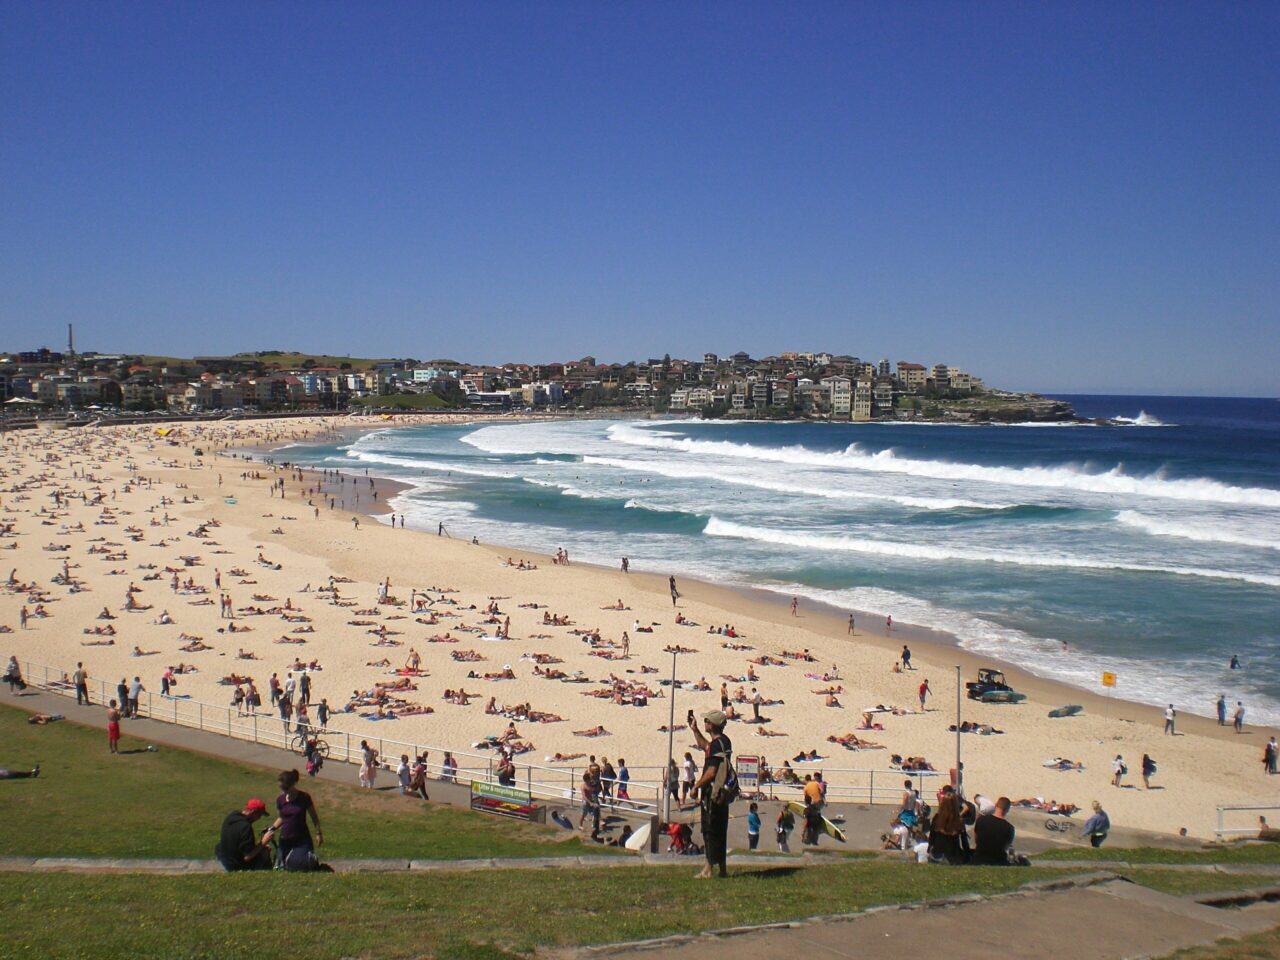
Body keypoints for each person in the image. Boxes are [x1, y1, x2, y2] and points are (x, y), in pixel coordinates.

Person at [689, 708, 733, 878]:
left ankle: (708, 869)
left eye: (706, 721)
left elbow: (711, 771)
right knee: (721, 829)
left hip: (712, 792)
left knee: (709, 829)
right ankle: (722, 868)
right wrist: (695, 730)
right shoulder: (724, 741)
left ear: (712, 725)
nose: (704, 723)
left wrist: (696, 787)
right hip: (722, 792)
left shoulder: (717, 745)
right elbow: (705, 746)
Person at [270, 769, 323, 870]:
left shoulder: (304, 798)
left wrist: (318, 833)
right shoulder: (280, 800)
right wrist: (272, 828)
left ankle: (311, 860)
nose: (283, 791)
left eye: (285, 788)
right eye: (282, 788)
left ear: (293, 784)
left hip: (301, 839)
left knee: (299, 864)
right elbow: (282, 817)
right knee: (283, 867)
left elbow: (314, 817)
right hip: (285, 838)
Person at [215, 798, 274, 871]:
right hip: (236, 865)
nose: (259, 818)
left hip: (224, 859)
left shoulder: (231, 817)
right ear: (253, 812)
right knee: (265, 850)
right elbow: (247, 857)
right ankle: (263, 871)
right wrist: (263, 842)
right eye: (259, 815)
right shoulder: (245, 827)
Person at [971, 796, 1016, 865]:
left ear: (995, 805)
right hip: (998, 860)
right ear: (1007, 810)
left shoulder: (981, 820)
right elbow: (1006, 847)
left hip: (979, 858)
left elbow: (976, 839)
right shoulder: (1009, 828)